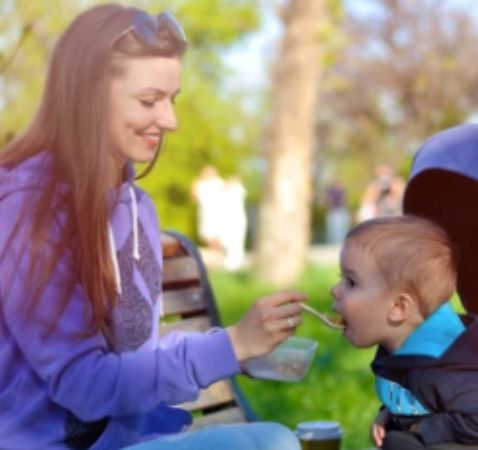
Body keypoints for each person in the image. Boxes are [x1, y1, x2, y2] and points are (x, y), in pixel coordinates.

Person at [0, 4, 305, 449]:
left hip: (132, 438)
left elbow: (134, 356)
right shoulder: (29, 210)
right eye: (149, 101)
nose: (170, 121)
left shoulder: (135, 205)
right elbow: (83, 385)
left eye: (172, 99)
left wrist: (242, 347)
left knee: (274, 438)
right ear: (87, 94)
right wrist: (231, 346)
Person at [330, 215, 478, 449]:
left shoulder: (449, 367)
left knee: (401, 443)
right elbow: (422, 396)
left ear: (398, 308)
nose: (335, 290)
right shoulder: (403, 346)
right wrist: (391, 414)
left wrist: (419, 427)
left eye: (351, 282)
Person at [190, 165, 226, 252]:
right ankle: (214, 255)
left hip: (217, 213)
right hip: (206, 213)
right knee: (208, 236)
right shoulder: (201, 184)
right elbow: (194, 198)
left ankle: (217, 255)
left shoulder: (219, 183)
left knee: (216, 235)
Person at [220, 175, 248, 271]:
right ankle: (231, 260)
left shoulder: (237, 189)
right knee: (229, 239)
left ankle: (235, 262)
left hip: (236, 218)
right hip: (230, 218)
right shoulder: (229, 190)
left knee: (236, 240)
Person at [324, 180, 350, 244]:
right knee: (335, 228)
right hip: (335, 211)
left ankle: (337, 241)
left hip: (339, 211)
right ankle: (335, 242)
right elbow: (328, 201)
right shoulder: (333, 192)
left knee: (339, 228)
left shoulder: (340, 191)